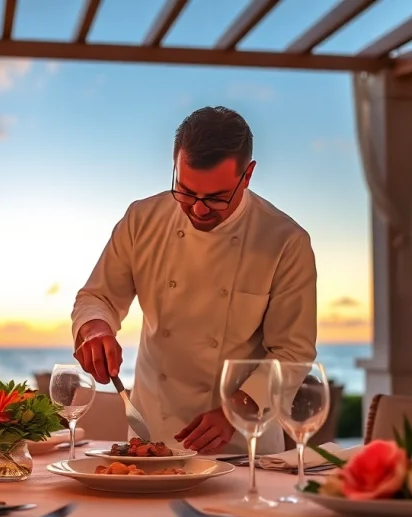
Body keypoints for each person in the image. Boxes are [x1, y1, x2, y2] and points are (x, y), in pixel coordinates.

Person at [70, 106, 317, 455]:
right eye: (185, 191)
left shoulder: (285, 241)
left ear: (247, 176)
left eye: (216, 198)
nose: (199, 209)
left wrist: (237, 410)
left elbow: (293, 351)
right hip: (152, 434)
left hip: (242, 442)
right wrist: (95, 329)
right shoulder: (142, 219)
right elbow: (99, 297)